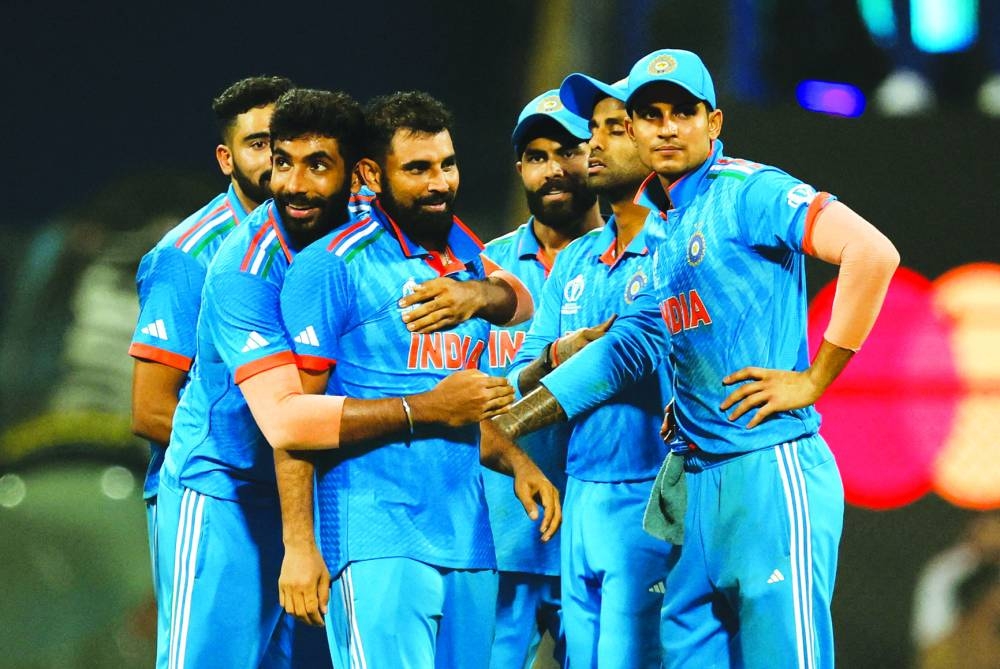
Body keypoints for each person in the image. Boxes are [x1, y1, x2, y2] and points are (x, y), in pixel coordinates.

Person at [486, 48, 900, 668]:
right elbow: (634, 345)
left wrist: (815, 379)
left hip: (767, 465)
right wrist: (512, 423)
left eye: (683, 111)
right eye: (650, 115)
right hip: (698, 483)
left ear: (715, 121)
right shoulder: (665, 223)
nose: (667, 127)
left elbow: (872, 253)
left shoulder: (748, 189)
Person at [279, 90, 561, 668]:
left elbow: (517, 311)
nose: (439, 183)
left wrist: (516, 459)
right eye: (417, 169)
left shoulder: (463, 251)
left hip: (469, 539)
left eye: (447, 165)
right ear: (370, 173)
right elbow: (292, 423)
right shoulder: (332, 265)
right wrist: (299, 543)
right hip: (376, 535)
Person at [504, 73, 674, 668]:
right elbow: (526, 368)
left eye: (613, 130)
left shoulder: (676, 245)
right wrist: (558, 352)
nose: (596, 145)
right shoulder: (577, 258)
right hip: (580, 497)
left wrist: (505, 427)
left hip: (648, 488)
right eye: (593, 131)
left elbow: (633, 356)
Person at [127, 73, 292, 644]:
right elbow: (150, 410)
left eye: (283, 139)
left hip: (293, 500)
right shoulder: (186, 254)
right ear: (227, 158)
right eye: (257, 143)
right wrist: (269, 451)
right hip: (217, 500)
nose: (274, 157)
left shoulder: (315, 241)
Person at [482, 88, 601, 669]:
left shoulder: (642, 260)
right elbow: (468, 405)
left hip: (606, 537)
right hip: (508, 540)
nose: (552, 169)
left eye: (569, 150)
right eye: (535, 155)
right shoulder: (482, 275)